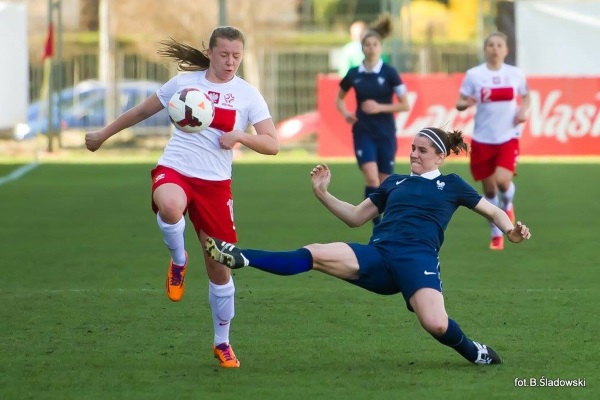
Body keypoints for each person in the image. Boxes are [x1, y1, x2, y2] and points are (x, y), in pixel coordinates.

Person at [204, 127, 532, 366]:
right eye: (413, 148)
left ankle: (475, 352)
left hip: (417, 261)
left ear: (441, 157)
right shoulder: (395, 182)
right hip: (377, 255)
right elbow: (356, 217)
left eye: (422, 150)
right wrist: (323, 194)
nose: (414, 154)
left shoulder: (452, 185)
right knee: (316, 252)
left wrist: (510, 230)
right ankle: (240, 257)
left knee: (436, 324)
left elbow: (493, 209)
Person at [85, 26, 280, 368]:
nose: (230, 61)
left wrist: (240, 136)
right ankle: (178, 260)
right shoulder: (184, 83)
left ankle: (222, 342)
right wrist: (103, 134)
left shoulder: (248, 95)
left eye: (237, 55)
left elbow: (272, 144)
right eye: (223, 54)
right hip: (176, 168)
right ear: (209, 51)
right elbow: (141, 112)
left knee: (220, 271)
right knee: (171, 206)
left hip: (216, 185)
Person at [456, 31, 530, 250]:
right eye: (490, 45)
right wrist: (467, 102)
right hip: (482, 139)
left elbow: (526, 96)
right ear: (485, 49)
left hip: (508, 136)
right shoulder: (474, 75)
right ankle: (495, 233)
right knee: (488, 191)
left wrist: (523, 111)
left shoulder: (515, 74)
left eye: (499, 45)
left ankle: (507, 204)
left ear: (506, 50)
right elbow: (459, 102)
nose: (495, 48)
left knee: (503, 181)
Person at [336, 13, 410, 225]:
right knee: (371, 177)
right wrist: (345, 113)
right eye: (367, 44)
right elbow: (339, 99)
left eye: (375, 44)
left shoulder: (390, 73)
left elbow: (405, 104)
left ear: (380, 46)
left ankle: (384, 222)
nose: (371, 47)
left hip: (385, 131)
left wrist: (380, 107)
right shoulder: (354, 73)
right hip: (363, 131)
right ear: (362, 47)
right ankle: (377, 226)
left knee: (385, 183)